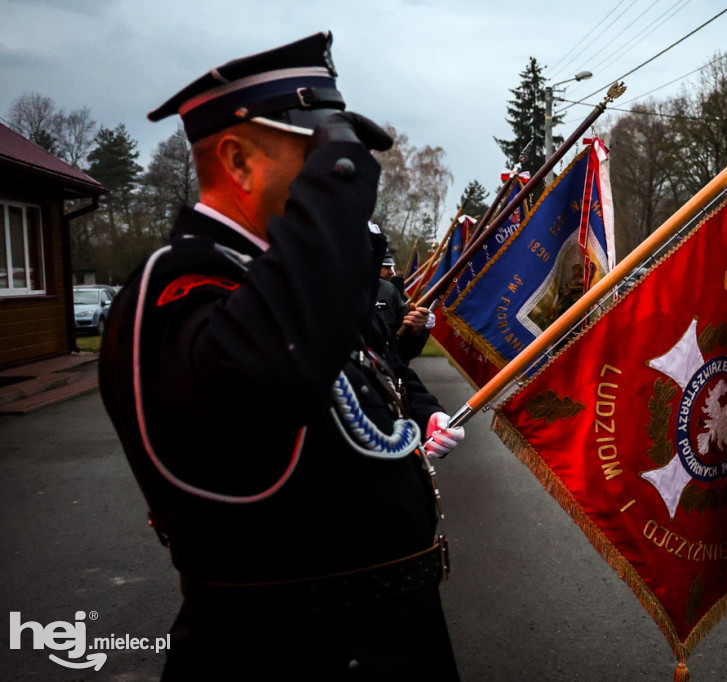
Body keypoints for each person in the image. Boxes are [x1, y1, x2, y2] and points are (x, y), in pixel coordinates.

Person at [98, 32, 464, 681]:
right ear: (238, 161)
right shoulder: (180, 284)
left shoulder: (280, 284)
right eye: (318, 150)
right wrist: (342, 188)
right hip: (277, 656)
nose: (339, 170)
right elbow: (273, 373)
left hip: (381, 642)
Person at [376, 250, 433, 361]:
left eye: (391, 267)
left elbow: (406, 350)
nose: (391, 272)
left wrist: (418, 330)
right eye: (386, 267)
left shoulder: (389, 290)